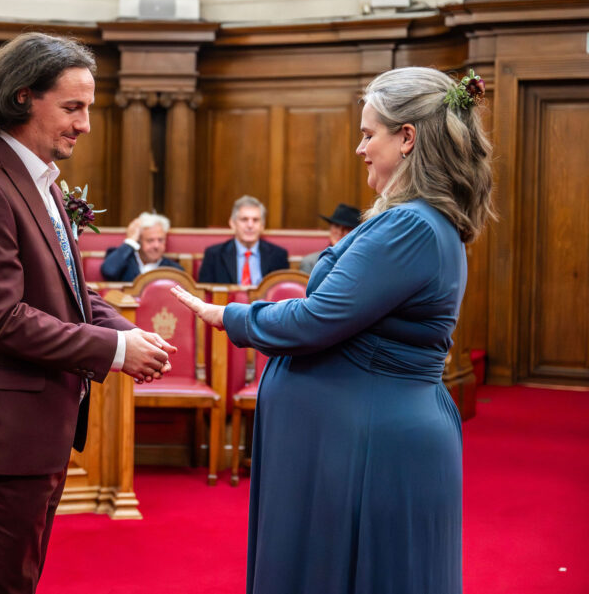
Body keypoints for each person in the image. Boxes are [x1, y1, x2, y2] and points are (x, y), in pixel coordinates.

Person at [172, 66, 494, 594]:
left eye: (369, 134)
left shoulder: (411, 224)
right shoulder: (416, 219)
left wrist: (229, 316)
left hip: (372, 448)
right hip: (359, 441)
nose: (360, 148)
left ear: (407, 138)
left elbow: (318, 318)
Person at [0, 32, 177, 594]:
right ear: (23, 98)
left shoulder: (39, 180)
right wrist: (116, 352)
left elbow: (71, 292)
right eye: (73, 107)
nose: (86, 123)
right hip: (2, 433)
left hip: (38, 426)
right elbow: (0, 318)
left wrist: (128, 332)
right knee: (0, 586)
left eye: (87, 107)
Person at [197, 195, 289, 284]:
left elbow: (282, 294)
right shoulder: (214, 255)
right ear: (232, 223)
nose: (250, 225)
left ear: (262, 225)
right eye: (244, 219)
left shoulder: (278, 255)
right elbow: (205, 295)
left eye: (255, 220)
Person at [100, 211, 183, 282]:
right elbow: (109, 272)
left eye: (160, 240)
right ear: (139, 241)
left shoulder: (175, 269)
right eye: (150, 240)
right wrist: (131, 241)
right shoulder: (122, 260)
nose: (156, 245)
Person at [298, 202, 362, 274]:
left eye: (347, 228)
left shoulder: (361, 263)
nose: (340, 232)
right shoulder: (310, 262)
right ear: (330, 228)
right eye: (336, 226)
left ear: (355, 233)